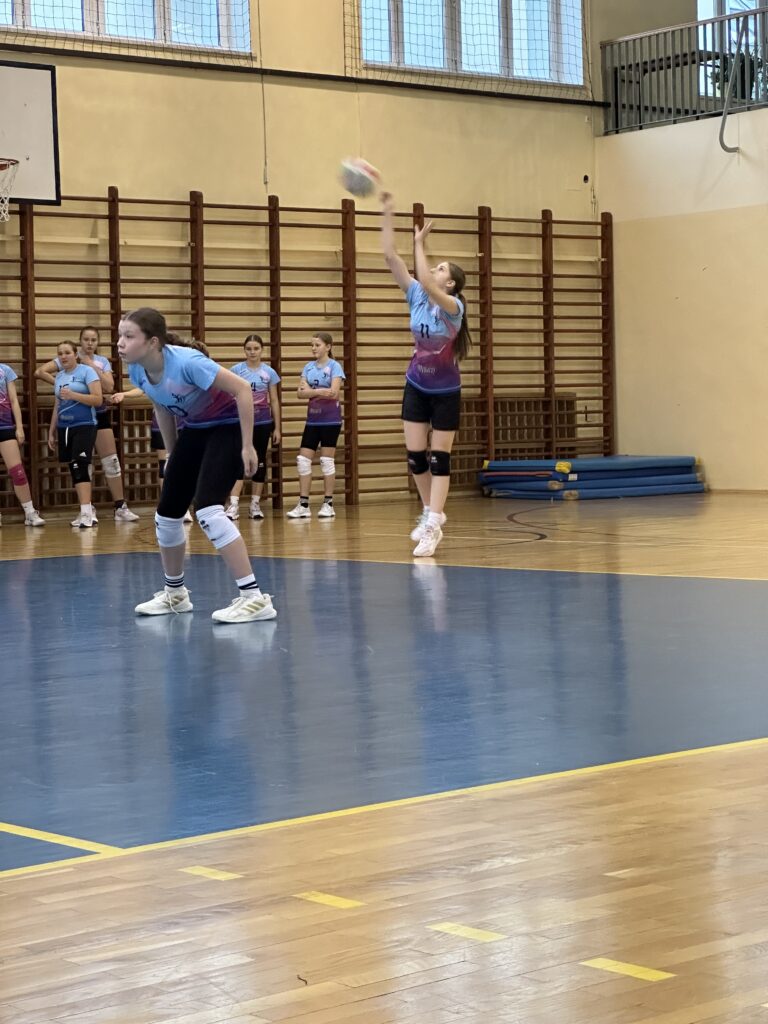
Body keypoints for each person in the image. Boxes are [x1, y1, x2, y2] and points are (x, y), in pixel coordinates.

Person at [116, 308, 276, 624]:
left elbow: (242, 389)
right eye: (120, 335)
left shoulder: (188, 363)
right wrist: (173, 456)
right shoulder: (137, 369)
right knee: (167, 515)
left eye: (129, 336)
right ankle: (175, 593)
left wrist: (247, 446)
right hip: (196, 429)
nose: (120, 342)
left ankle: (254, 599)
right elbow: (162, 406)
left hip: (229, 427)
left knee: (208, 511)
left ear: (152, 342)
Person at [380, 191, 472, 557]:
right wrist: (387, 213)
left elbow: (425, 278)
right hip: (416, 384)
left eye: (441, 269)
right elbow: (391, 257)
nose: (435, 270)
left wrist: (419, 243)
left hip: (446, 390)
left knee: (439, 458)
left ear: (450, 284)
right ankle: (430, 511)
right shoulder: (417, 295)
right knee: (416, 457)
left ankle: (433, 524)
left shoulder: (453, 307)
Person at [35, 325, 139, 521]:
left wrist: (90, 365)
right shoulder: (69, 359)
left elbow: (108, 386)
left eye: (93, 340)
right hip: (77, 418)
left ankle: (120, 507)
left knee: (111, 461)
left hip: (98, 414)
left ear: (97, 343)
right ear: (80, 341)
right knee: (82, 463)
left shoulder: (101, 361)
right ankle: (87, 509)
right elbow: (39, 371)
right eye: (86, 340)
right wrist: (66, 386)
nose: (90, 343)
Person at [286, 332, 345, 520]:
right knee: (303, 460)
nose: (313, 348)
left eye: (317, 345)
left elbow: (334, 393)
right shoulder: (308, 367)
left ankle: (328, 503)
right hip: (312, 420)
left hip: (330, 420)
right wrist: (319, 391)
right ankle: (303, 505)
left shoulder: (334, 366)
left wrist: (311, 391)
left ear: (328, 347)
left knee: (326, 461)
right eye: (312, 345)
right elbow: (300, 393)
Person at [225, 334, 281, 521]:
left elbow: (274, 400)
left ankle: (255, 505)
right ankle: (233, 504)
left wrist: (277, 428)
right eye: (249, 349)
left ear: (262, 350)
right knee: (239, 460)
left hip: (263, 423)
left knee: (260, 460)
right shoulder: (237, 370)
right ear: (244, 350)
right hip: (241, 422)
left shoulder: (269, 372)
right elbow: (229, 396)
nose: (252, 352)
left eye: (256, 348)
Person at [48, 341, 102, 528]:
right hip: (65, 427)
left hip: (84, 424)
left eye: (67, 352)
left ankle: (87, 513)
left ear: (75, 354)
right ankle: (85, 510)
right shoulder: (59, 376)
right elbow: (57, 405)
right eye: (60, 353)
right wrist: (51, 431)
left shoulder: (87, 372)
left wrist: (74, 395)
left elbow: (98, 399)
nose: (63, 356)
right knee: (74, 467)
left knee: (80, 465)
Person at [0, 361, 44, 527]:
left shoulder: (5, 370)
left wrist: (19, 427)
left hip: (5, 426)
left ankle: (30, 512)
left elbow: (13, 400)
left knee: (18, 472)